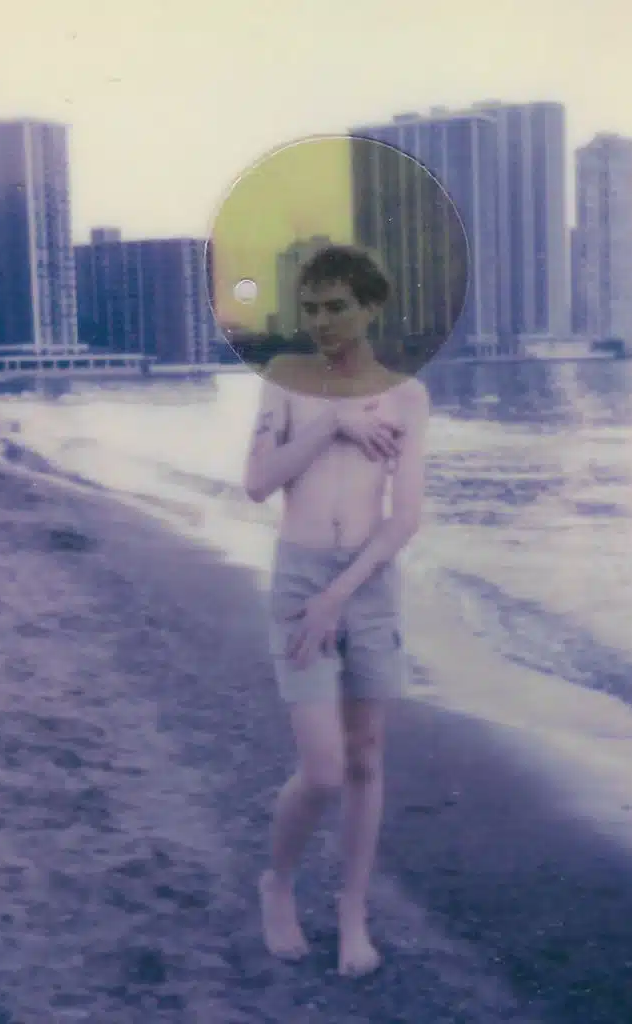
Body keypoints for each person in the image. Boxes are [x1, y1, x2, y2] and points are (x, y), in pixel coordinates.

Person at [242, 244, 430, 977]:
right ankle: (278, 883)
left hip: (366, 585)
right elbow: (258, 482)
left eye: (338, 307)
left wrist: (339, 596)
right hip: (299, 580)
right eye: (312, 308)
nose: (322, 322)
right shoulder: (285, 384)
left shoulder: (406, 396)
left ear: (371, 307)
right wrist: (333, 425)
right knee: (322, 770)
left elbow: (404, 517)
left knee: (365, 757)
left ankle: (353, 915)